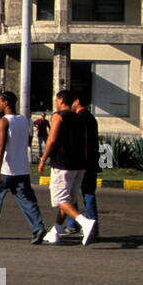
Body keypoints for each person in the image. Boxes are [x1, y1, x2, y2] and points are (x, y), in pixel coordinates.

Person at [0, 91, 45, 241]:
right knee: (28, 201)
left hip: (6, 169)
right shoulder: (24, 120)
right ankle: (38, 228)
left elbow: (1, 147)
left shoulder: (3, 121)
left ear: (6, 102)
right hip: (22, 170)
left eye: (0, 101)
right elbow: (26, 141)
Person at [36, 89, 97, 245]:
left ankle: (85, 222)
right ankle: (55, 231)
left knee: (60, 200)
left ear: (62, 100)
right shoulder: (79, 118)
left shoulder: (58, 116)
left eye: (56, 101)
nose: (55, 104)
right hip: (79, 165)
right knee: (67, 201)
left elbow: (52, 140)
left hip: (63, 164)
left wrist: (43, 159)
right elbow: (84, 144)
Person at [72, 93, 100, 233]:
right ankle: (92, 226)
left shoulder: (80, 118)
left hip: (83, 164)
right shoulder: (91, 118)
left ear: (77, 101)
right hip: (90, 163)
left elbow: (83, 144)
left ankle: (74, 224)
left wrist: (84, 164)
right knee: (88, 194)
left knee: (74, 195)